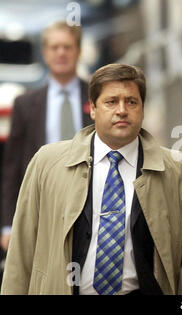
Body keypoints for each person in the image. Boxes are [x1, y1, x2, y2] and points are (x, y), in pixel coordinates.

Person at [1, 64, 182, 295]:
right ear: (92, 108)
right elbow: (21, 251)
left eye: (131, 102)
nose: (122, 110)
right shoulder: (47, 163)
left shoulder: (181, 172)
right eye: (111, 102)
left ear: (142, 109)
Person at [1, 21, 92, 252]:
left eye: (67, 46)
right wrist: (7, 225)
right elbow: (12, 169)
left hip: (90, 207)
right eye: (54, 47)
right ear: (45, 53)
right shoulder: (25, 104)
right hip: (40, 209)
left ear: (78, 51)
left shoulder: (97, 98)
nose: (61, 52)